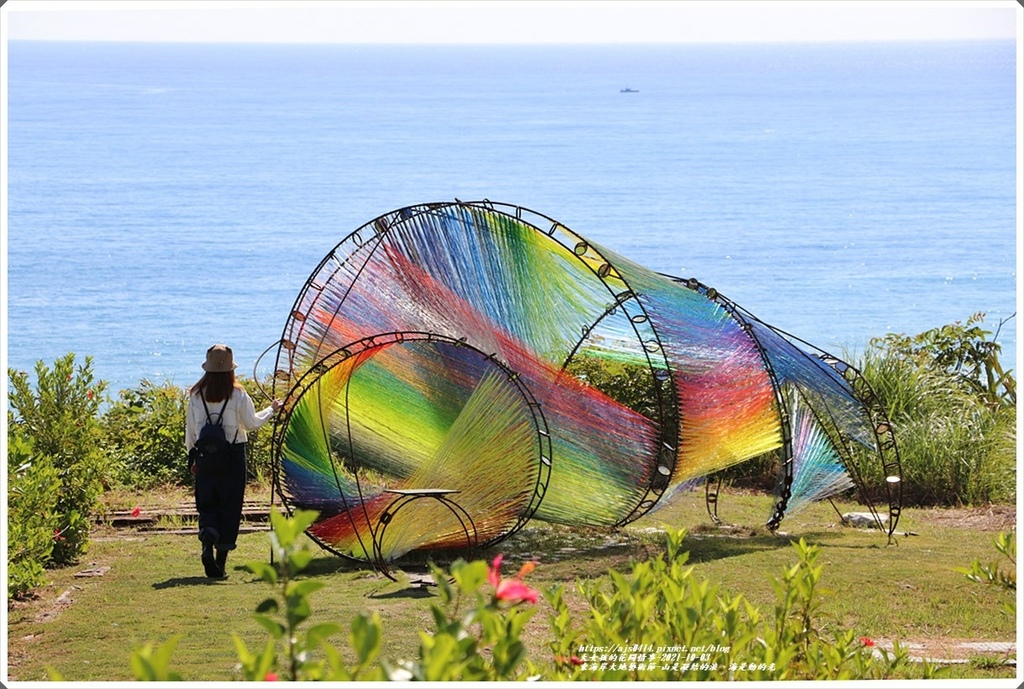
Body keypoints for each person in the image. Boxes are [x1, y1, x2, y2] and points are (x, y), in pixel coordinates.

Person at [185, 344, 281, 579]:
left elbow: (190, 431)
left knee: (207, 504)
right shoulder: (238, 394)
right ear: (230, 369)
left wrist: (192, 458)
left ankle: (207, 542)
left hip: (205, 457)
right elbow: (251, 424)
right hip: (233, 456)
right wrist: (271, 409)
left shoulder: (196, 395)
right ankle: (220, 565)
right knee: (230, 506)